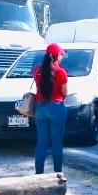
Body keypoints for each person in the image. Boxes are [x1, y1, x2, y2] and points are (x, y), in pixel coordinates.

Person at [33, 43, 68, 174]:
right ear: (57, 56)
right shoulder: (61, 72)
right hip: (56, 107)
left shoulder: (37, 70)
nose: (62, 57)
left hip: (41, 108)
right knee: (57, 143)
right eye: (61, 55)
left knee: (41, 143)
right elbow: (64, 92)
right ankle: (57, 174)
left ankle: (39, 174)